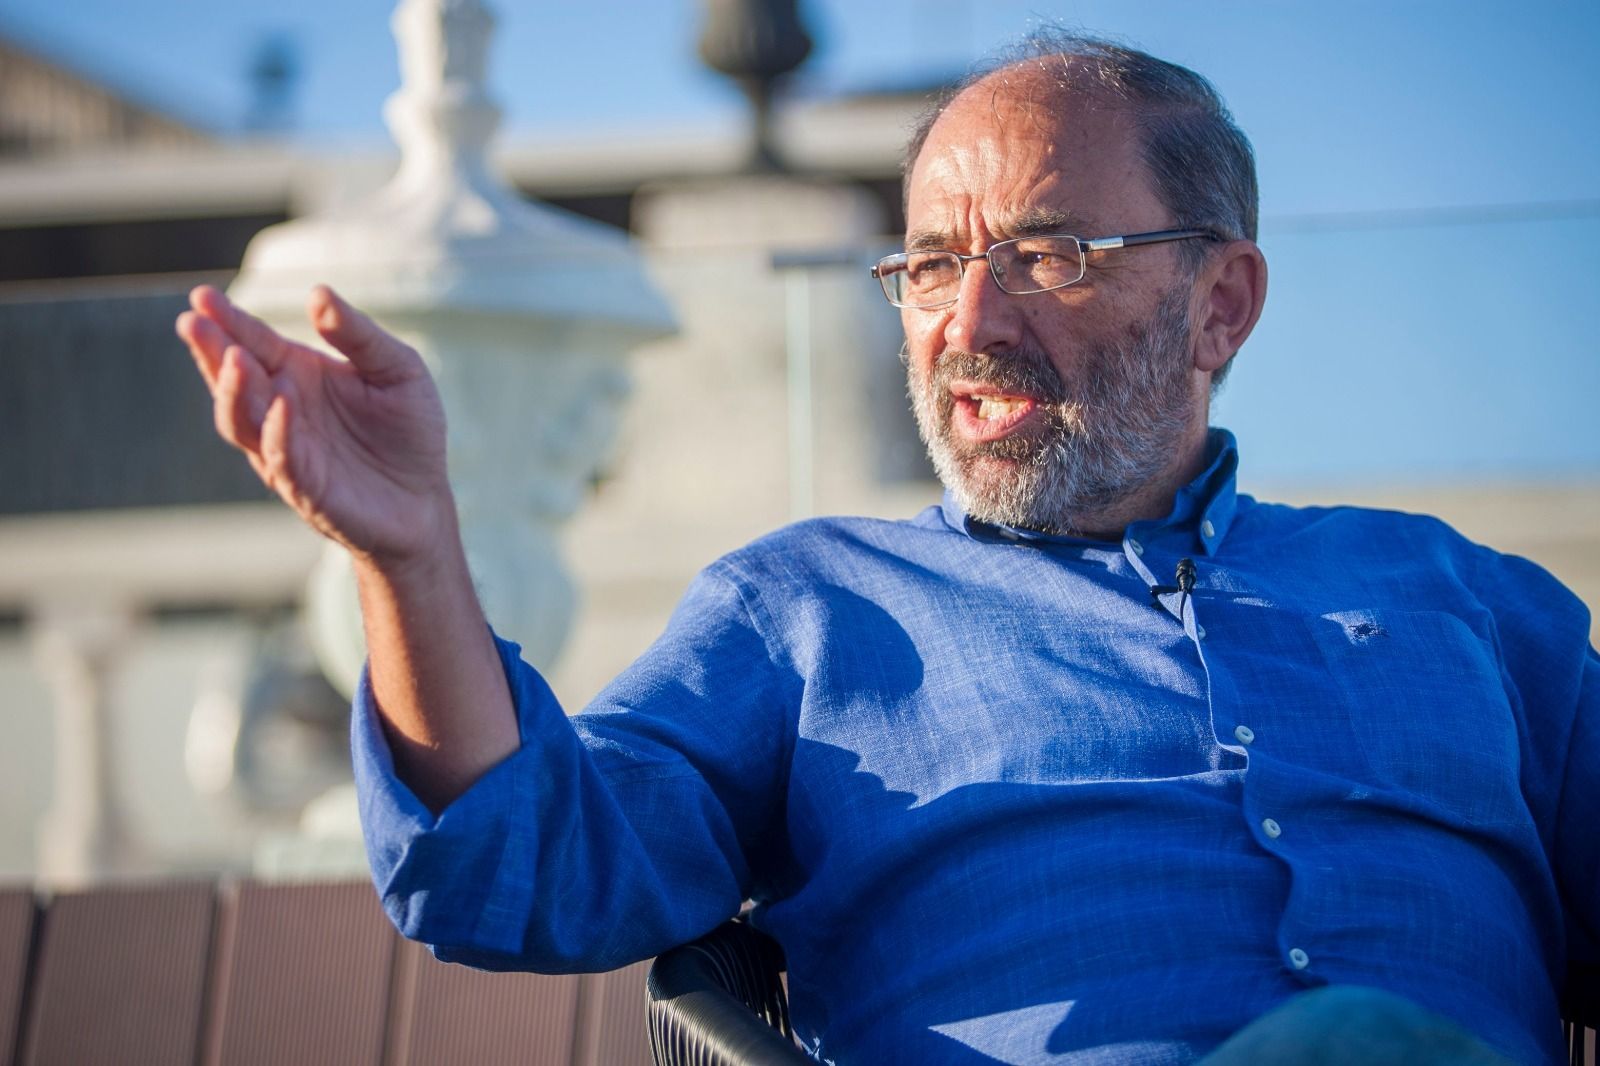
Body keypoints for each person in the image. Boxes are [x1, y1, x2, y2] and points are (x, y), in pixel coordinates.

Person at [178, 30, 1594, 1066]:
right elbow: (525, 865)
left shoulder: (1467, 603)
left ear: (1220, 304)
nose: (967, 326)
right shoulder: (807, 611)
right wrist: (411, 554)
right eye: (928, 265)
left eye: (1047, 254)